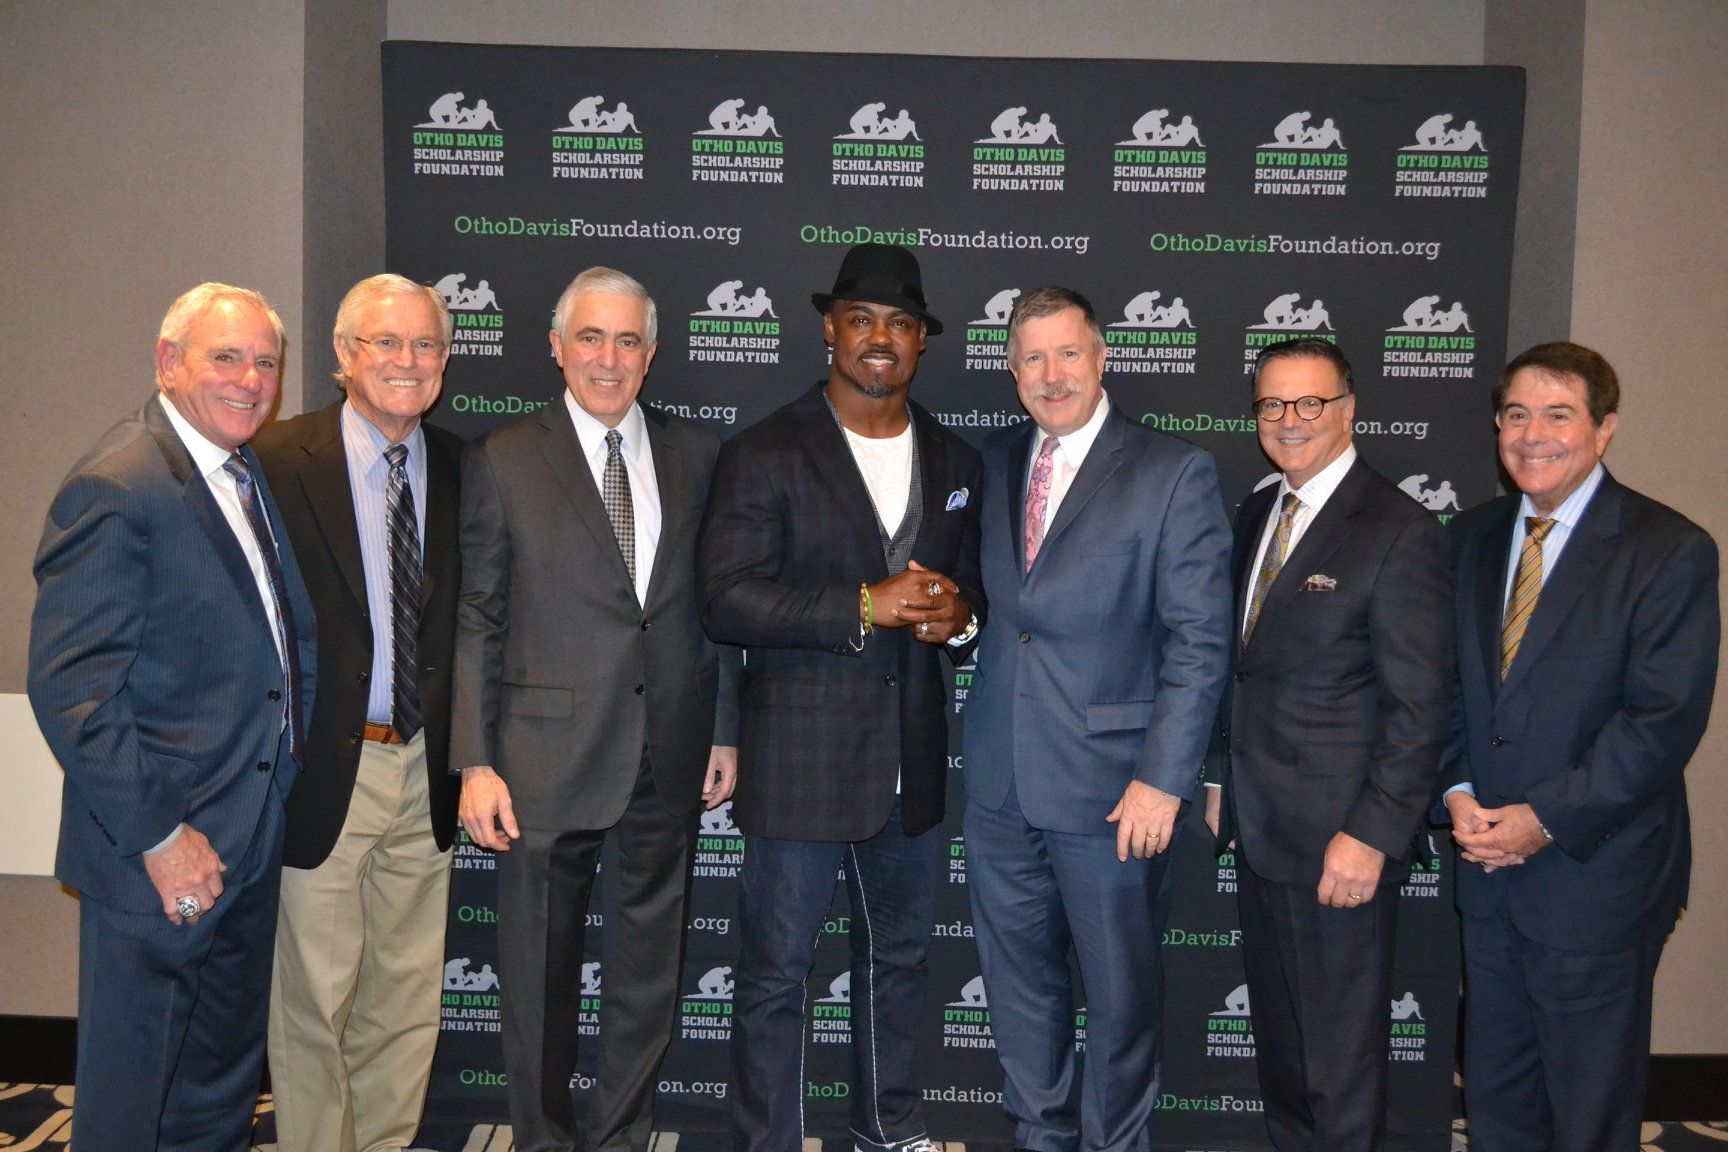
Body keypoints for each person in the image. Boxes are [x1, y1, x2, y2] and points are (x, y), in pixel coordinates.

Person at [698, 243, 983, 1152]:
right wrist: (863, 605)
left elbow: (971, 596)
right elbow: (727, 596)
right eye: (861, 319)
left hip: (914, 761)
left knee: (898, 963)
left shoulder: (955, 455)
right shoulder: (763, 450)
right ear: (830, 328)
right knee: (777, 975)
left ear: (922, 341)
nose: (880, 339)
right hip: (798, 761)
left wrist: (957, 622)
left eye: (900, 324)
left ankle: (887, 1130)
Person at [452, 267, 741, 1152]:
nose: (608, 359)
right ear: (555, 347)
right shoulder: (503, 456)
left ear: (651, 357)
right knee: (538, 980)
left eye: (627, 342)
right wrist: (475, 760)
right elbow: (478, 616)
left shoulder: (699, 455)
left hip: (669, 755)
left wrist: (724, 728)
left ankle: (620, 1138)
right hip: (540, 763)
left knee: (647, 979)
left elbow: (714, 605)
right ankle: (543, 1141)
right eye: (591, 338)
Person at [28, 282, 317, 1150]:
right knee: (131, 1102)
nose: (251, 380)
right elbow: (73, 690)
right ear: (169, 361)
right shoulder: (118, 484)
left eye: (265, 362)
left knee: (216, 1094)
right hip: (160, 860)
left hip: (243, 839)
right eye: (225, 356)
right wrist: (162, 836)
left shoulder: (239, 467)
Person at [961, 286, 1232, 1152]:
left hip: (1117, 794)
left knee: (1121, 999)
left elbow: (1199, 643)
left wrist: (1163, 780)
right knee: (1018, 988)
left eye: (1067, 353)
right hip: (1001, 782)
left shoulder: (1171, 470)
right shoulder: (993, 462)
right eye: (1031, 359)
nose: (1052, 375)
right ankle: (1039, 1138)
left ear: (1103, 355)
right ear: (1012, 372)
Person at [1442, 341, 1719, 1152]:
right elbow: (1448, 692)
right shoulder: (1470, 539)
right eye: (1516, 415)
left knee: (1589, 1111)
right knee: (1497, 1099)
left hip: (1595, 878)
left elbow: (1661, 721)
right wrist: (1457, 793)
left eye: (1558, 415)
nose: (1534, 435)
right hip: (1487, 876)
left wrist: (1543, 818)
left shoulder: (1668, 550)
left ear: (1604, 430)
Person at [1204, 337, 1454, 1152]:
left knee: (1338, 1068)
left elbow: (1421, 707)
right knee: (1285, 1054)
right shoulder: (1257, 513)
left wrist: (1372, 834)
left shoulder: (1398, 530)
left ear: (1348, 409)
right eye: (1273, 404)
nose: (1290, 421)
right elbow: (1239, 672)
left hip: (1339, 843)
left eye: (1310, 403)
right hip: (1260, 831)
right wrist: (1218, 783)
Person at [253, 274, 462, 1152]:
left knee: (406, 1001)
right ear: (343, 356)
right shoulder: (274, 458)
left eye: (424, 346)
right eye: (385, 343)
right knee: (313, 1003)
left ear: (445, 363)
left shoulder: (462, 467)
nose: (406, 363)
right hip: (324, 770)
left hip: (426, 769)